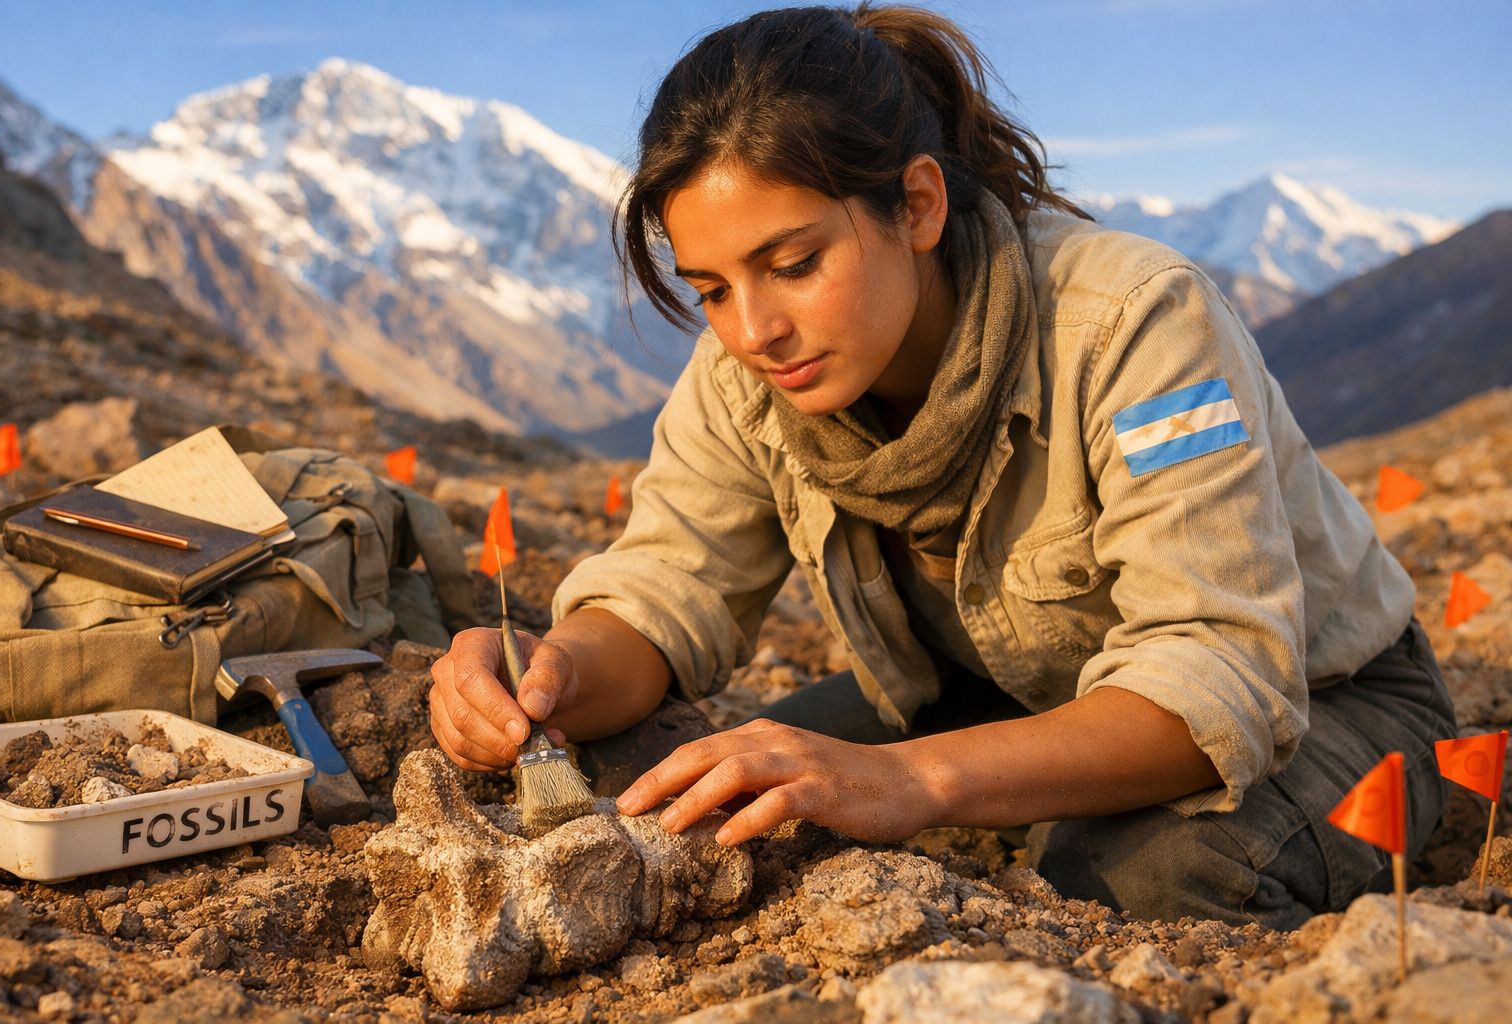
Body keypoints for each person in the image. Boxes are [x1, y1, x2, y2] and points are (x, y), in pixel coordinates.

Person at [429, 3, 1456, 928]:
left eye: (794, 264)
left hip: (1332, 703)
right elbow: (665, 587)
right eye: (710, 288)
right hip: (992, 695)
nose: (754, 329)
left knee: (1138, 872)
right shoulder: (749, 372)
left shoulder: (1131, 322)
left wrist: (911, 782)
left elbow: (1218, 675)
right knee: (693, 787)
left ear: (917, 206)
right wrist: (549, 675)